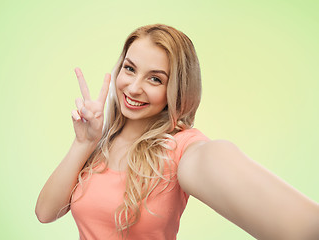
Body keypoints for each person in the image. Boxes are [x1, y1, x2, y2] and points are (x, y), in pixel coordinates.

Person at [35, 24, 319, 240]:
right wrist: (84, 141)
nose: (134, 88)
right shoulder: (101, 141)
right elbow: (45, 213)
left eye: (155, 78)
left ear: (178, 88)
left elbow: (302, 226)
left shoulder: (182, 149)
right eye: (130, 69)